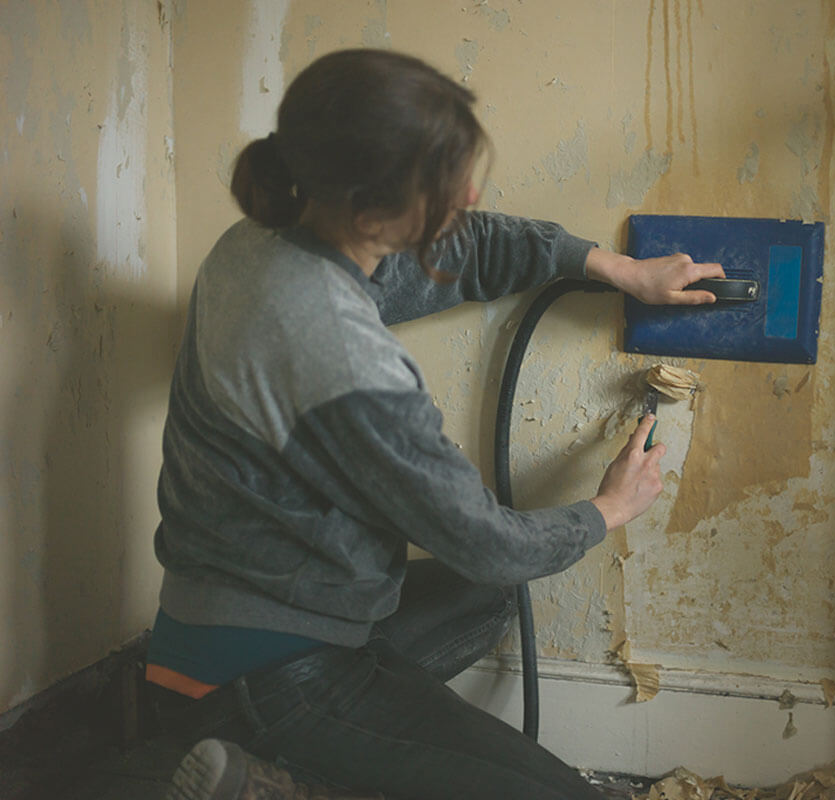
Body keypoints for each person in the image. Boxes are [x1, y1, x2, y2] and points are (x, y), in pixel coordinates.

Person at [149, 48, 723, 800]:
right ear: (375, 211)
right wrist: (608, 509)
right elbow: (484, 542)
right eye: (448, 182)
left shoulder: (265, 242)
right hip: (266, 672)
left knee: (482, 601)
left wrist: (616, 269)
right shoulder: (338, 351)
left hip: (213, 622)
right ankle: (286, 779)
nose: (471, 190)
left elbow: (469, 245)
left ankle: (298, 768)